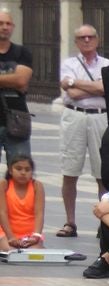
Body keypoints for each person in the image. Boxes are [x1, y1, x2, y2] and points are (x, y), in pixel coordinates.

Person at [55, 24, 109, 239]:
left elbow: (106, 89)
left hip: (100, 116)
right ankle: (70, 221)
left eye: (90, 37)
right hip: (74, 115)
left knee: (103, 173)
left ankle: (106, 221)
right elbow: (70, 93)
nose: (87, 40)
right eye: (82, 38)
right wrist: (93, 85)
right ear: (76, 42)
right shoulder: (68, 63)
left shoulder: (108, 64)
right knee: (70, 170)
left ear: (97, 40)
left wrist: (75, 83)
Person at [0, 8, 33, 163]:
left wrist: (17, 81)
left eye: (8, 23)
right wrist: (11, 79)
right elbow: (17, 80)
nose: (4, 27)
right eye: (0, 23)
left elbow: (21, 80)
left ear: (13, 27)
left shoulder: (22, 52)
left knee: (20, 171)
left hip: (17, 119)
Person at [0, 154, 43, 251]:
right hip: (5, 232)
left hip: (29, 234)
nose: (23, 173)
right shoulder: (4, 185)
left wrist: (36, 235)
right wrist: (10, 236)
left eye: (27, 170)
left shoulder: (37, 186)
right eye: (18, 169)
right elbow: (2, 212)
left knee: (34, 252)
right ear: (11, 170)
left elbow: (39, 213)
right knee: (10, 250)